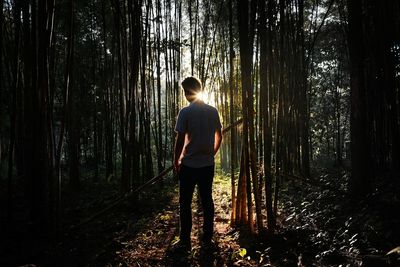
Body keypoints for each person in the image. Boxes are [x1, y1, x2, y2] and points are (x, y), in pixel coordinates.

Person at [173, 76, 222, 251]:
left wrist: (176, 161)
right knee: (207, 200)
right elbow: (219, 137)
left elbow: (180, 141)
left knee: (185, 203)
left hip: (189, 166)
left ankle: (185, 240)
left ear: (190, 91)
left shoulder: (185, 112)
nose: (186, 95)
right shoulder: (213, 111)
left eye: (186, 91)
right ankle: (207, 237)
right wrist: (211, 154)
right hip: (207, 165)